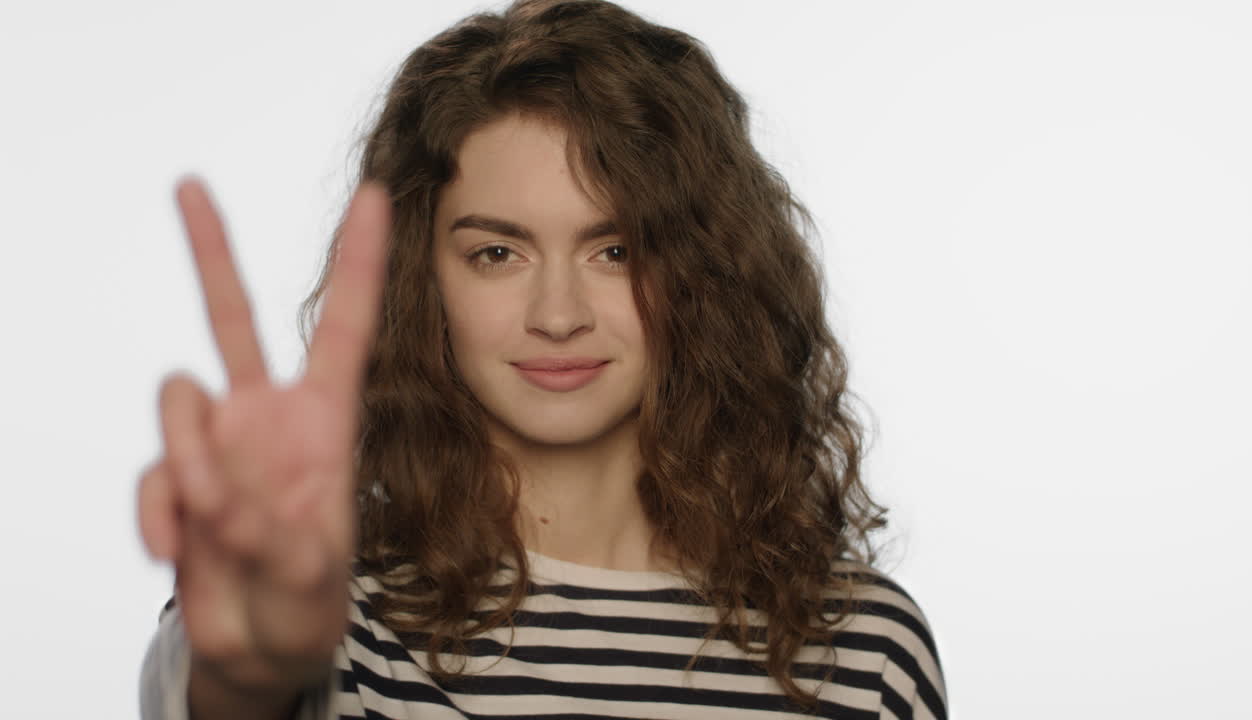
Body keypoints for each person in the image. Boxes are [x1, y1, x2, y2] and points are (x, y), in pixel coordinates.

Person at [137, 1, 948, 718]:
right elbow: (231, 683)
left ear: (707, 271)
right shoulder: (314, 616)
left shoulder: (863, 654)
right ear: (424, 281)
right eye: (497, 252)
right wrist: (252, 679)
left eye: (617, 250)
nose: (558, 316)